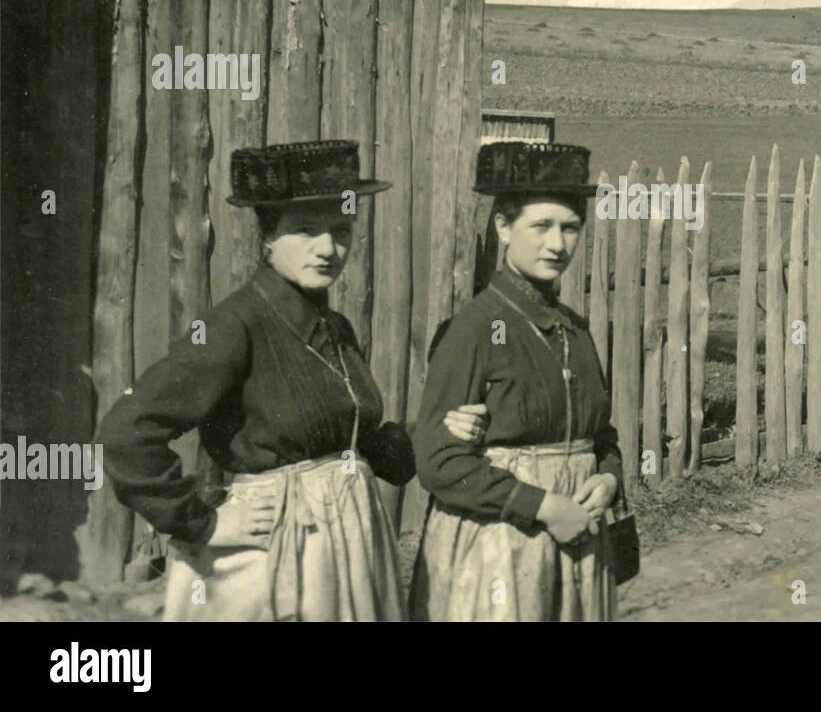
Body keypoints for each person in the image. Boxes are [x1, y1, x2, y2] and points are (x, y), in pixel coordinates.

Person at [98, 140, 484, 621]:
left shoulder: (335, 329)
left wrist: (437, 429)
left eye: (341, 231)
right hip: (272, 552)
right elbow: (125, 432)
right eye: (305, 231)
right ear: (268, 235)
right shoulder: (235, 326)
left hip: (349, 546)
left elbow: (365, 451)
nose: (328, 249)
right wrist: (203, 522)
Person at [410, 140, 622, 621]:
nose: (557, 244)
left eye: (570, 228)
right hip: (501, 544)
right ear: (504, 228)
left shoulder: (575, 329)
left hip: (579, 543)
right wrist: (543, 505)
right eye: (541, 226)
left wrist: (609, 477)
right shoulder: (474, 328)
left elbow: (600, 434)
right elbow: (438, 460)